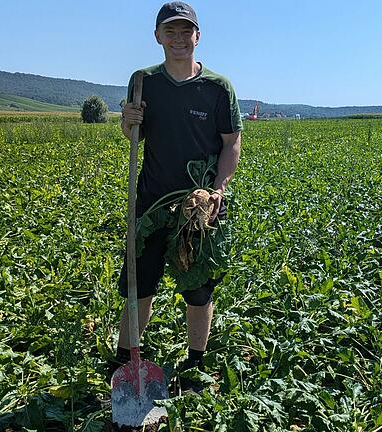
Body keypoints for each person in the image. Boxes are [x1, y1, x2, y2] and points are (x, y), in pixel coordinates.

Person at [109, 1, 243, 392]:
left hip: (199, 206)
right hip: (150, 201)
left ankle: (195, 364)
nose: (179, 38)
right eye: (171, 31)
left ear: (198, 36)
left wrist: (218, 188)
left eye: (186, 30)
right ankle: (125, 358)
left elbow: (231, 143)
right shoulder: (143, 81)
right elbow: (135, 135)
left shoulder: (218, 88)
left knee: (198, 288)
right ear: (157, 37)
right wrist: (126, 122)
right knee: (139, 284)